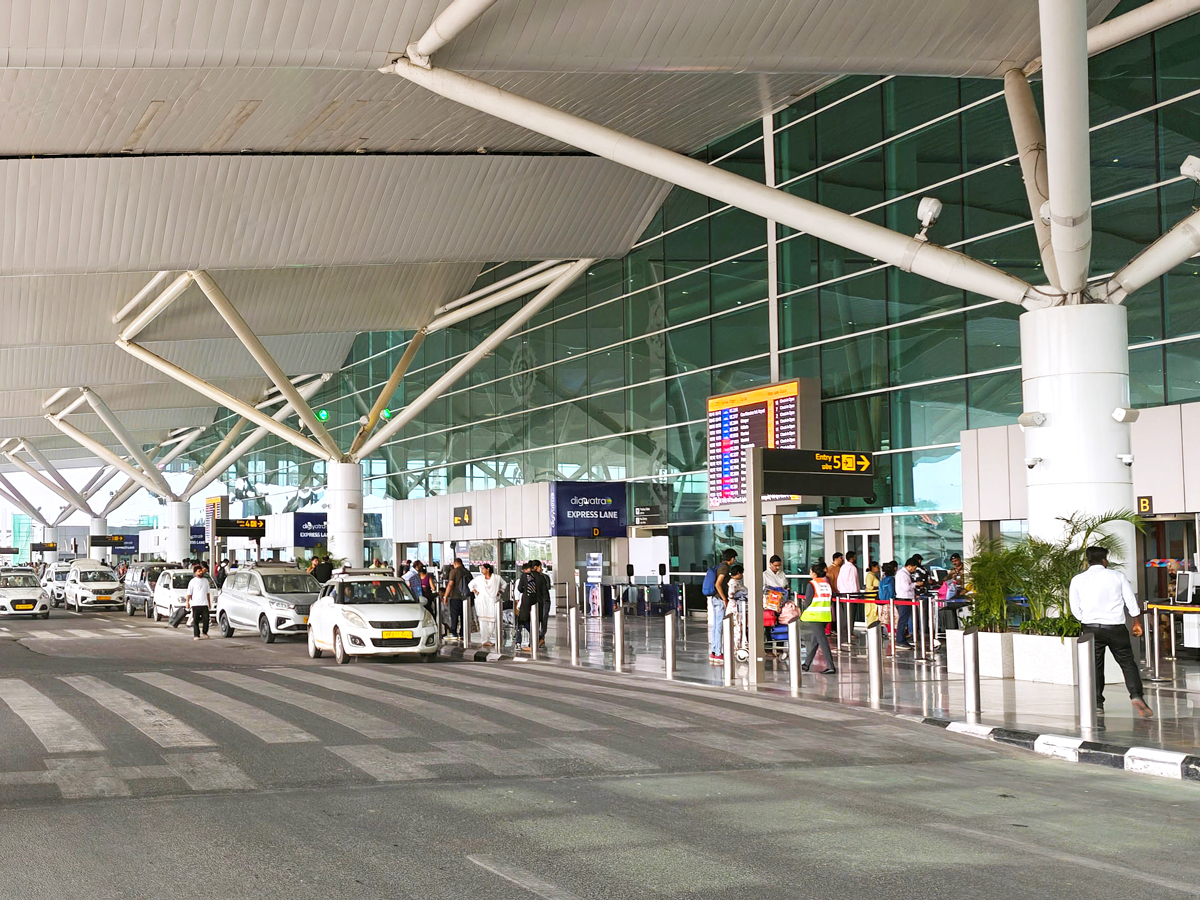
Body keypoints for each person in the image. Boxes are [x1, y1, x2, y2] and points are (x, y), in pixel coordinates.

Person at [1069, 545, 1153, 718]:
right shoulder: (1117, 576)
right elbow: (1130, 600)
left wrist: (1086, 619)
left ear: (1087, 561)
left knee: (1095, 666)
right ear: (1104, 561)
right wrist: (1136, 621)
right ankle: (1136, 695)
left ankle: (1098, 704)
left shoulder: (1078, 579)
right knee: (1127, 663)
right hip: (1115, 628)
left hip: (1090, 629)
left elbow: (1075, 608)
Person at [799, 561, 836, 674]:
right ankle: (806, 664)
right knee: (816, 641)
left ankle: (831, 666)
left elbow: (808, 602)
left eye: (810, 571)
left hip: (815, 616)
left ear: (814, 573)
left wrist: (804, 603)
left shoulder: (812, 584)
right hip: (825, 615)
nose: (810, 573)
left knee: (822, 641)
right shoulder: (826, 584)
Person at [709, 548, 737, 665]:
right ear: (730, 558)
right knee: (719, 626)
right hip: (719, 600)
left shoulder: (719, 566)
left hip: (715, 599)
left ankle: (714, 651)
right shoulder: (724, 568)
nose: (734, 560)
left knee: (716, 626)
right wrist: (724, 598)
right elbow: (718, 584)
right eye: (734, 558)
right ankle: (718, 652)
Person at [468, 562, 505, 648]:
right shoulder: (479, 579)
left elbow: (504, 584)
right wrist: (475, 591)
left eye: (483, 569)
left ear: (488, 569)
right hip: (482, 602)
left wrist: (499, 591)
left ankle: (496, 639)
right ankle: (485, 640)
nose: (481, 570)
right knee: (483, 622)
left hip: (492, 601)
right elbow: (470, 585)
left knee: (493, 621)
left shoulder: (496, 578)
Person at [442, 557, 471, 643]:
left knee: (454, 615)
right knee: (463, 616)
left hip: (455, 597)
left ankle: (454, 632)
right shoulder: (467, 572)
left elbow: (450, 584)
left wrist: (445, 596)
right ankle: (462, 632)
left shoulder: (454, 571)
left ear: (455, 563)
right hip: (465, 598)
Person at [894, 557, 919, 648]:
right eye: (914, 568)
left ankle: (902, 639)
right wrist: (916, 584)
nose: (914, 570)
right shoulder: (903, 574)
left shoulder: (902, 573)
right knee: (903, 621)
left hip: (904, 598)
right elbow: (906, 588)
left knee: (903, 620)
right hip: (904, 598)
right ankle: (900, 640)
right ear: (909, 566)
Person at [187, 563, 211, 641]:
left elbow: (207, 593)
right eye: (198, 571)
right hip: (195, 604)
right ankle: (196, 635)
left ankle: (205, 632)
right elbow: (189, 593)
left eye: (201, 571)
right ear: (195, 573)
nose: (200, 572)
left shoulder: (205, 581)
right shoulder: (192, 581)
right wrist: (187, 602)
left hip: (204, 604)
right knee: (196, 620)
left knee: (206, 619)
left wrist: (209, 602)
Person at [534, 560, 552, 648]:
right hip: (538, 601)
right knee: (538, 618)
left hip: (545, 601)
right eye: (540, 567)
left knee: (544, 619)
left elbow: (548, 587)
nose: (541, 569)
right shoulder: (531, 577)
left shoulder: (545, 577)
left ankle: (542, 636)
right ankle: (538, 636)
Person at [863, 559, 881, 625]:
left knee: (875, 615)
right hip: (870, 598)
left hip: (874, 598)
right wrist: (878, 587)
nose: (878, 568)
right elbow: (869, 586)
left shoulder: (874, 575)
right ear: (873, 567)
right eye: (877, 567)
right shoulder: (870, 575)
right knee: (871, 615)